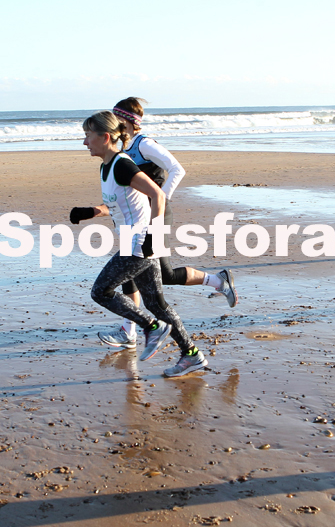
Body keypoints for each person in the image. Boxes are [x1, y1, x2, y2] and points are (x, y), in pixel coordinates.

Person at [72, 111, 209, 377]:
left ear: (105, 137)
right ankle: (191, 355)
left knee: (100, 291)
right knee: (157, 304)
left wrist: (153, 235)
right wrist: (91, 211)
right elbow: (123, 204)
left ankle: (150, 327)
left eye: (88, 136)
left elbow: (157, 194)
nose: (85, 142)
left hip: (140, 244)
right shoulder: (106, 167)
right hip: (136, 242)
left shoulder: (122, 164)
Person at [96, 97, 238, 350]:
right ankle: (130, 331)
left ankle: (219, 282)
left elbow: (177, 169)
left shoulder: (143, 144)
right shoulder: (123, 150)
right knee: (134, 272)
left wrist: (162, 197)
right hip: (136, 217)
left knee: (160, 275)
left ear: (125, 120)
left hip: (156, 215)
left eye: (114, 117)